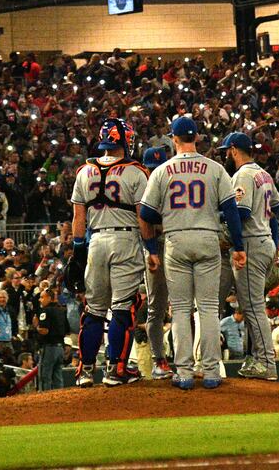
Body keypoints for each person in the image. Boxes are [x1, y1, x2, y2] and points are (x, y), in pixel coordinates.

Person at [139, 115, 244, 389]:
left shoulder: (162, 171)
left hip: (176, 239)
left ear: (174, 139)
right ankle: (210, 371)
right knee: (208, 309)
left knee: (182, 310)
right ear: (196, 137)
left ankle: (184, 372)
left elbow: (146, 213)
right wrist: (239, 246)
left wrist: (153, 245)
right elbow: (231, 210)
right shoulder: (215, 168)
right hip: (208, 237)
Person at [68, 117, 150, 386]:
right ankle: (116, 370)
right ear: (124, 140)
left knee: (94, 309)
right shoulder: (136, 172)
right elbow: (143, 216)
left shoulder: (84, 171)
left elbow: (78, 218)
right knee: (122, 307)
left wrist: (78, 250)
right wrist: (151, 247)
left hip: (95, 242)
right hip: (125, 239)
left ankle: (86, 371)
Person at [220, 131, 279, 380]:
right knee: (254, 305)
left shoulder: (243, 175)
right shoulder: (264, 174)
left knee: (253, 307)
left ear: (234, 150)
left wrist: (219, 215)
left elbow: (241, 212)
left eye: (227, 150)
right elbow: (275, 211)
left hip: (252, 243)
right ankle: (259, 359)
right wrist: (275, 247)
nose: (226, 154)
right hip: (265, 241)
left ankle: (266, 362)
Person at [140, 143, 174, 380]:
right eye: (152, 167)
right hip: (153, 247)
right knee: (157, 307)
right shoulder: (143, 188)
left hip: (174, 245)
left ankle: (185, 361)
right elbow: (143, 222)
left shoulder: (173, 186)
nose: (155, 171)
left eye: (158, 167)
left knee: (183, 308)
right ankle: (159, 360)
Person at [30, 286, 68, 391]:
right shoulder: (61, 311)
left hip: (49, 348)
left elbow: (44, 330)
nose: (39, 300)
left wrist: (37, 326)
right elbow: (67, 330)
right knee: (58, 377)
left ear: (49, 298)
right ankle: (59, 399)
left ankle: (44, 401)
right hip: (60, 348)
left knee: (44, 376)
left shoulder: (45, 311)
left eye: (42, 297)